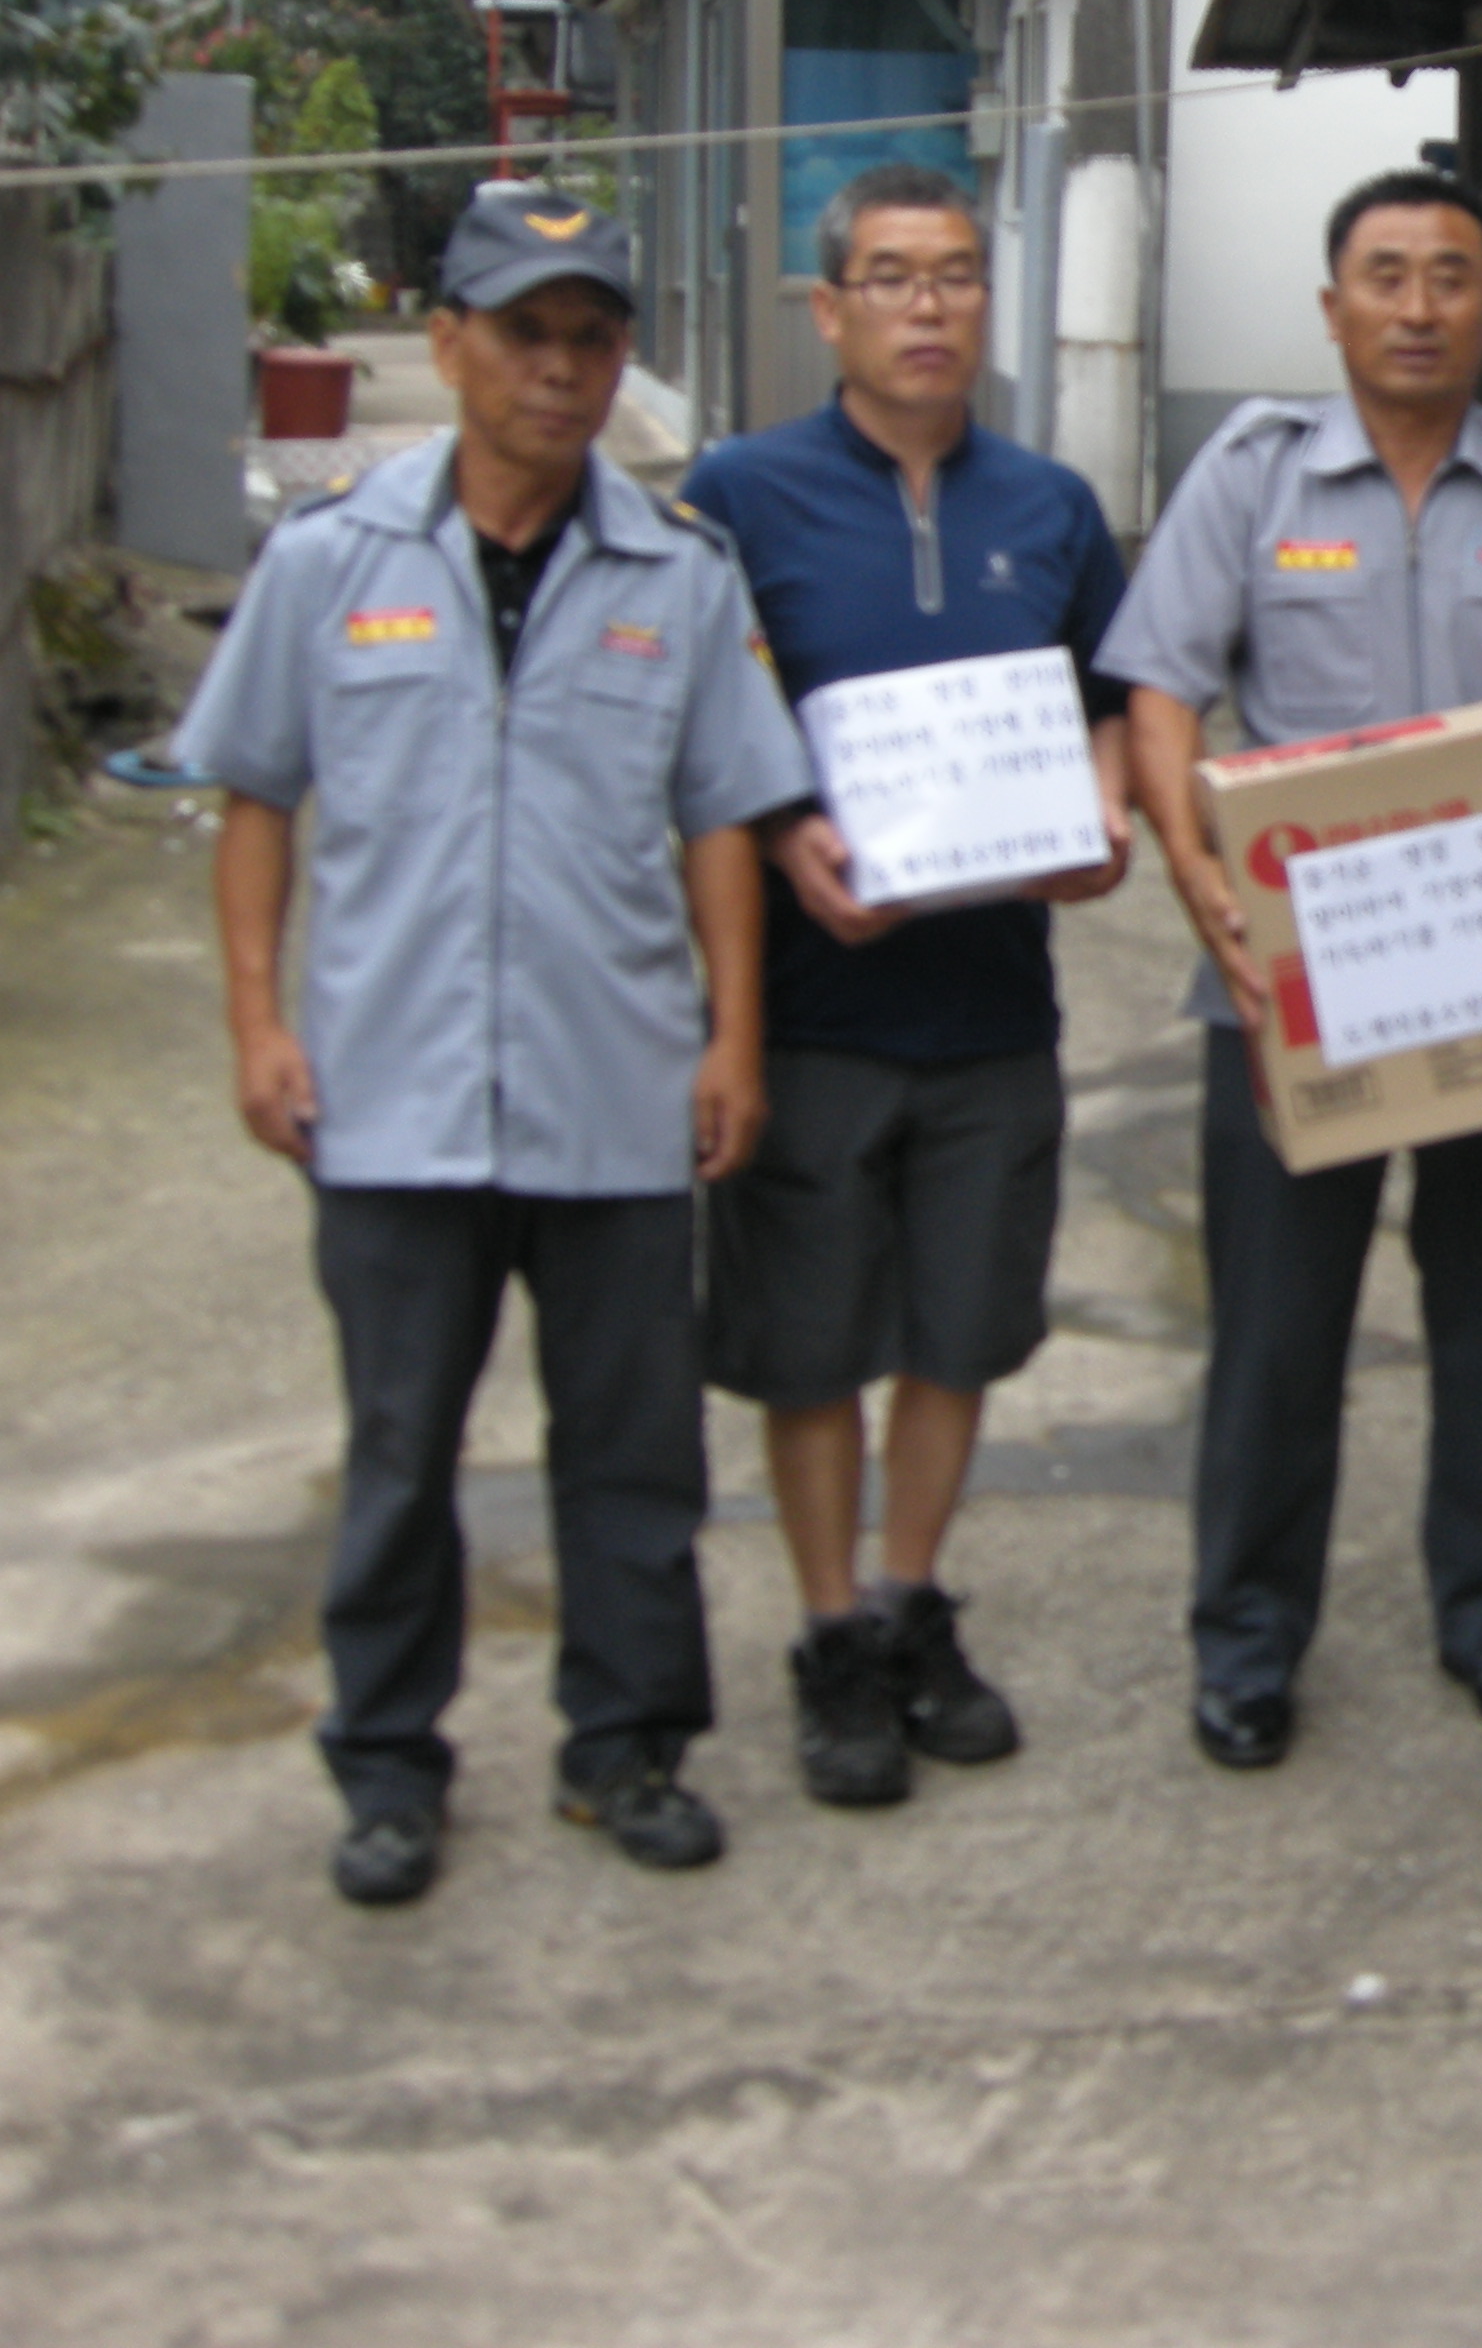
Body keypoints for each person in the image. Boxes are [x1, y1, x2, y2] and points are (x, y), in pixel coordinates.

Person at [181, 183, 814, 1905]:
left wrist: (734, 1040)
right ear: (449, 343)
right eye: (525, 333)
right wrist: (256, 1023)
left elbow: (722, 815)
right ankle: (388, 1767)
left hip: (616, 1096)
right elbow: (257, 798)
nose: (560, 368)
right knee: (400, 1458)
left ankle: (628, 1749)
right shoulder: (331, 563)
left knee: (634, 1459)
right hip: (388, 1102)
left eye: (591, 338)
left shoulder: (677, 573)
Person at [1102, 167, 1482, 1767]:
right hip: (1297, 988)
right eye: (1386, 275)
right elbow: (1159, 691)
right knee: (1279, 1331)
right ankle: (1247, 1645)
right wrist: (1197, 877)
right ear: (1332, 306)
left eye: (1450, 277)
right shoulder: (1253, 475)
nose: (1417, 307)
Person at [677, 163, 1134, 1810]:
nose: (927, 306)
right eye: (890, 276)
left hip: (992, 1009)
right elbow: (699, 725)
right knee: (810, 1347)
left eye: (953, 275)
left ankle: (909, 1601)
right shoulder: (737, 496)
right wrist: (782, 830)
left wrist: (1103, 813)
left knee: (959, 1332)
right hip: (811, 1009)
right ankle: (828, 1636)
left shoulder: (1052, 507)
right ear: (830, 309)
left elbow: (1105, 704)